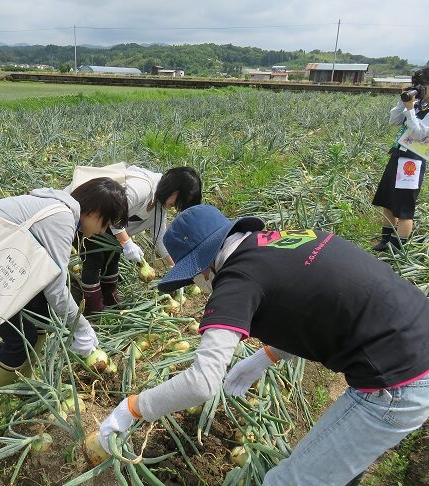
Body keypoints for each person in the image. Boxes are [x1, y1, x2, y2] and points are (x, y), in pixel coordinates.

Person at [98, 205, 429, 486]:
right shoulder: (288, 239)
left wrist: (132, 409)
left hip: (399, 379)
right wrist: (268, 355)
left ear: (203, 267)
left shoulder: (236, 280)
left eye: (194, 277)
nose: (199, 284)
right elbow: (317, 304)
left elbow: (201, 384)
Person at [0, 178, 128, 391]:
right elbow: (56, 289)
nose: (103, 231)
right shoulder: (61, 220)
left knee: (39, 314)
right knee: (21, 337)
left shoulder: (59, 207)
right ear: (94, 211)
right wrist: (80, 326)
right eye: (105, 223)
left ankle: (19, 378)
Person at [77, 166, 202, 314]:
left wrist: (174, 267)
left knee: (111, 259)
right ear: (175, 190)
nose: (175, 207)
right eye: (179, 201)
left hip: (108, 230)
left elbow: (160, 237)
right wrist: (126, 242)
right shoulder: (142, 187)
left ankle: (110, 299)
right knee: (94, 260)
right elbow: (114, 210)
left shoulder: (160, 206)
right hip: (89, 218)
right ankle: (93, 308)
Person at [372, 66, 429, 251]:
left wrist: (411, 110)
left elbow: (420, 134)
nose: (420, 89)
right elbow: (394, 121)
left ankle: (396, 250)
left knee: (404, 208)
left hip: (413, 160)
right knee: (387, 200)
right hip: (398, 153)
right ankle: (385, 240)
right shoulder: (418, 104)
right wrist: (402, 102)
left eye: (424, 86)